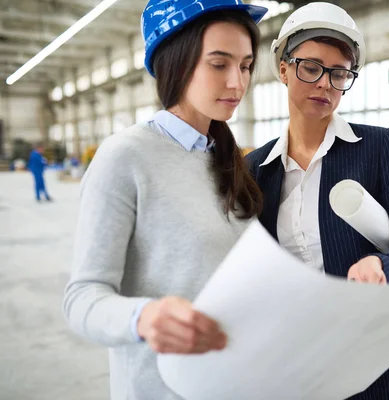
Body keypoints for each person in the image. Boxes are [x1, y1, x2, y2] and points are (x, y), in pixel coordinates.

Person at [62, 1, 267, 399]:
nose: (237, 83)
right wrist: (144, 317)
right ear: (177, 61)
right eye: (219, 64)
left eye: (245, 65)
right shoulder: (125, 156)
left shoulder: (227, 159)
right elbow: (82, 298)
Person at [245, 3, 389, 399]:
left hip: (368, 358)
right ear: (283, 69)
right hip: (289, 357)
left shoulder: (379, 148)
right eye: (311, 67)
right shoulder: (256, 170)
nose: (325, 84)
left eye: (339, 73)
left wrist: (383, 265)